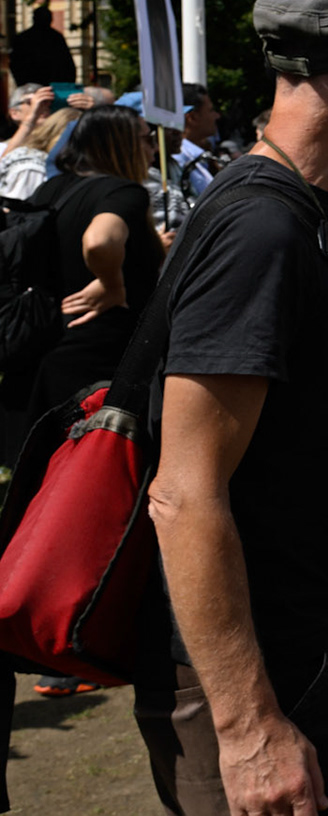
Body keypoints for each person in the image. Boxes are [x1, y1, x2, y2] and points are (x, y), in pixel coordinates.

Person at [137, 0, 328, 816]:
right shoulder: (263, 230)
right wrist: (250, 729)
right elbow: (184, 493)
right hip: (252, 684)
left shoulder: (291, 211)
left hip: (294, 658)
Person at [15, 105, 166, 697]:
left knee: (44, 504)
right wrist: (113, 283)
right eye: (143, 139)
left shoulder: (52, 188)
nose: (151, 149)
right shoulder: (121, 192)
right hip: (101, 373)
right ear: (121, 143)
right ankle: (80, 637)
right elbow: (101, 240)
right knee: (97, 510)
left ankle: (42, 630)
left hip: (46, 358)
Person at [0, 83, 55, 198]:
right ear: (14, 113)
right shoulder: (3, 147)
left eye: (46, 102)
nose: (42, 107)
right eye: (30, 102)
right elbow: (4, 163)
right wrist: (31, 118)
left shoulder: (60, 142)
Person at [9, 5, 75, 89]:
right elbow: (68, 65)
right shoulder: (56, 38)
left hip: (37, 86)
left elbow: (15, 64)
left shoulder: (23, 38)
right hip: (45, 86)